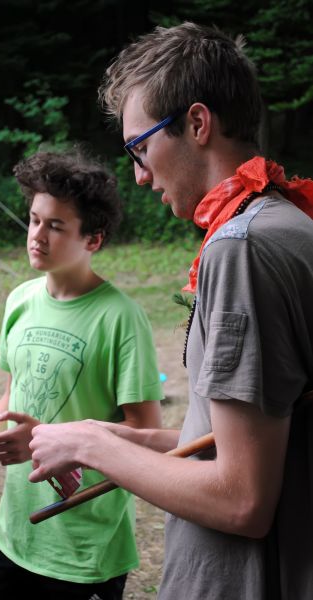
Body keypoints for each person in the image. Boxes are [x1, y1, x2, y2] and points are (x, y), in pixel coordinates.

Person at [28, 22, 313, 600]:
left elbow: (242, 498)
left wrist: (90, 448)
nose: (137, 173)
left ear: (197, 123)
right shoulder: (289, 222)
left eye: (141, 147)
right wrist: (91, 430)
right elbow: (222, 439)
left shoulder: (243, 247)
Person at [0, 150, 163, 599]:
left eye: (56, 226)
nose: (36, 236)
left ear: (93, 240)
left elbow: (145, 430)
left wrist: (57, 441)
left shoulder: (120, 318)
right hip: (14, 535)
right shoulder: (20, 300)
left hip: (84, 550)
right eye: (34, 220)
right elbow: (12, 398)